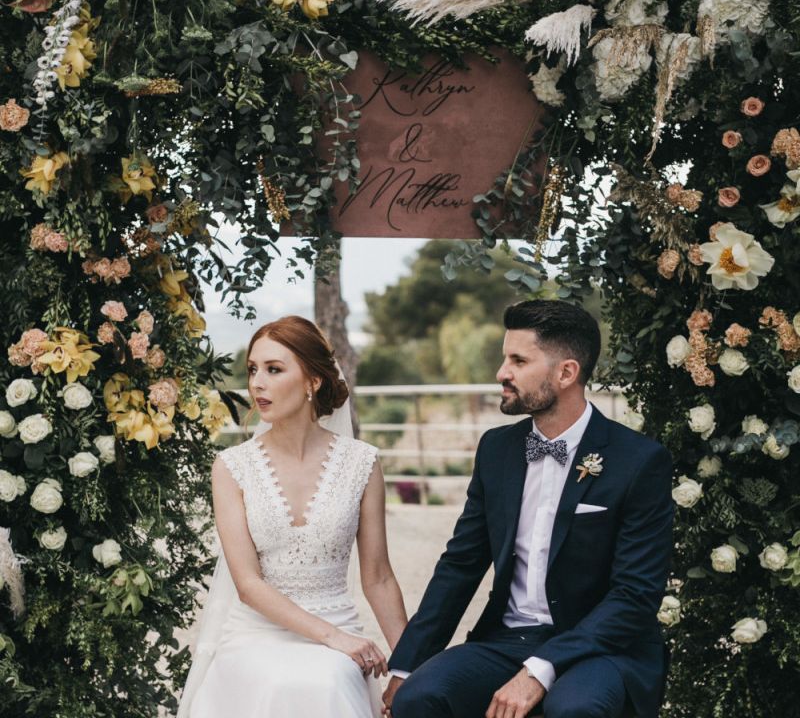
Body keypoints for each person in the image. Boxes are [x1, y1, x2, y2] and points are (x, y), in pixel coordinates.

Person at [383, 299, 673, 718]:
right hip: (507, 639)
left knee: (573, 710)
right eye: (506, 359)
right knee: (419, 697)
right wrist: (407, 664)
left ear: (566, 373)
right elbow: (460, 565)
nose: (502, 373)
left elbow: (635, 595)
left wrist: (539, 669)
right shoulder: (496, 450)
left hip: (602, 647)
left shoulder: (639, 461)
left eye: (518, 361)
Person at [179, 316, 408, 718]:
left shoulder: (362, 463)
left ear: (312, 381)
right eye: (252, 370)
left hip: (337, 624)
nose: (257, 383)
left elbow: (379, 577)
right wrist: (333, 638)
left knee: (330, 680)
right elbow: (248, 585)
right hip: (255, 635)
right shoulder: (231, 467)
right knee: (283, 683)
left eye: (273, 369)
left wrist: (410, 667)